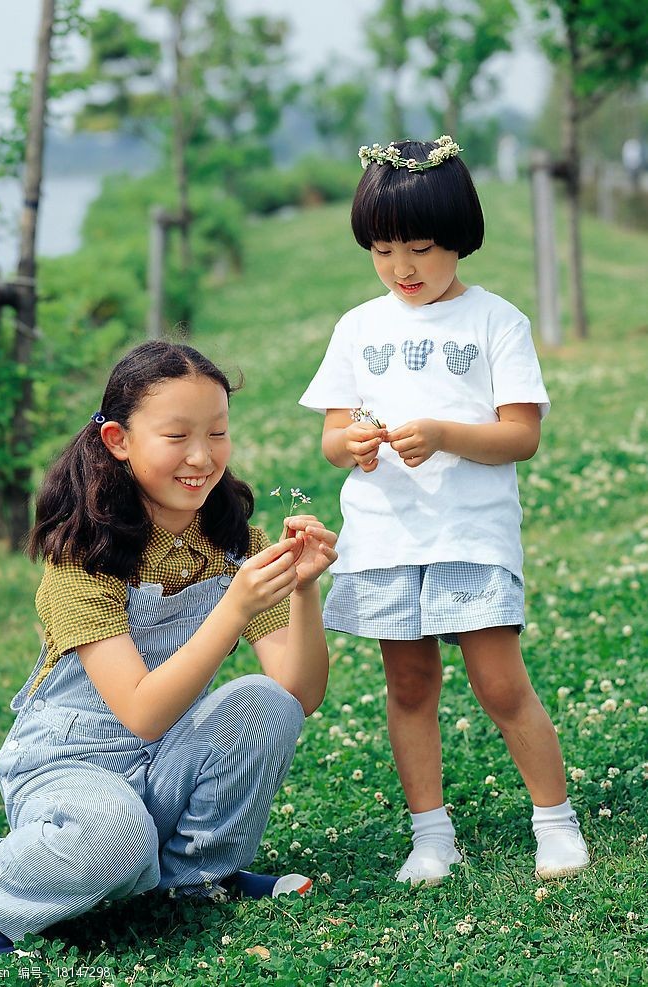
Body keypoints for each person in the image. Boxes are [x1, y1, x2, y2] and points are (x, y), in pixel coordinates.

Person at [0, 340, 338, 958]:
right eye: (176, 436)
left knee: (265, 702)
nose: (202, 457)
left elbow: (300, 693)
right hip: (69, 768)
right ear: (118, 441)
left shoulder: (233, 541)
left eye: (218, 433)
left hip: (165, 758)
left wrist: (304, 589)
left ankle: (200, 876)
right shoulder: (82, 556)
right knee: (116, 839)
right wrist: (234, 608)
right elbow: (142, 712)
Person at [298, 136, 589, 887]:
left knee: (499, 682)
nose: (403, 267)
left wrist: (445, 435)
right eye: (385, 249)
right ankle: (431, 835)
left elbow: (521, 434)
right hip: (387, 535)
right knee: (409, 685)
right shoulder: (359, 327)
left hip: (470, 532)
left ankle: (554, 820)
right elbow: (332, 437)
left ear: (460, 238)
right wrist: (354, 444)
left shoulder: (497, 322)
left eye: (422, 247)